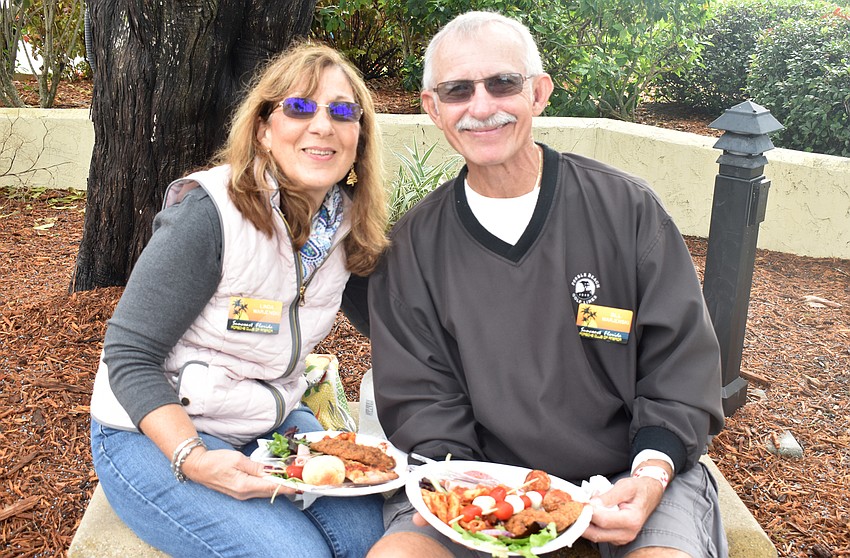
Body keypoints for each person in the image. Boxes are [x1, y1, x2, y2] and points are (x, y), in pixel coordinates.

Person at [366, 11, 727, 558]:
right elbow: (422, 397)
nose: (482, 107)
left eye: (502, 83)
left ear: (538, 93)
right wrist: (481, 498)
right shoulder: (416, 244)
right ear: (432, 109)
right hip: (476, 478)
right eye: (458, 90)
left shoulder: (625, 210)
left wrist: (652, 472)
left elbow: (679, 367)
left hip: (625, 473)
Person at [89, 42, 389, 558]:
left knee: (370, 537)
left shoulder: (347, 230)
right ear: (263, 130)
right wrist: (194, 456)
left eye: (343, 111)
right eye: (299, 107)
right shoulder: (210, 215)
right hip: (151, 431)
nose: (323, 125)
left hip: (266, 419)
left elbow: (403, 329)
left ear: (358, 138)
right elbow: (129, 356)